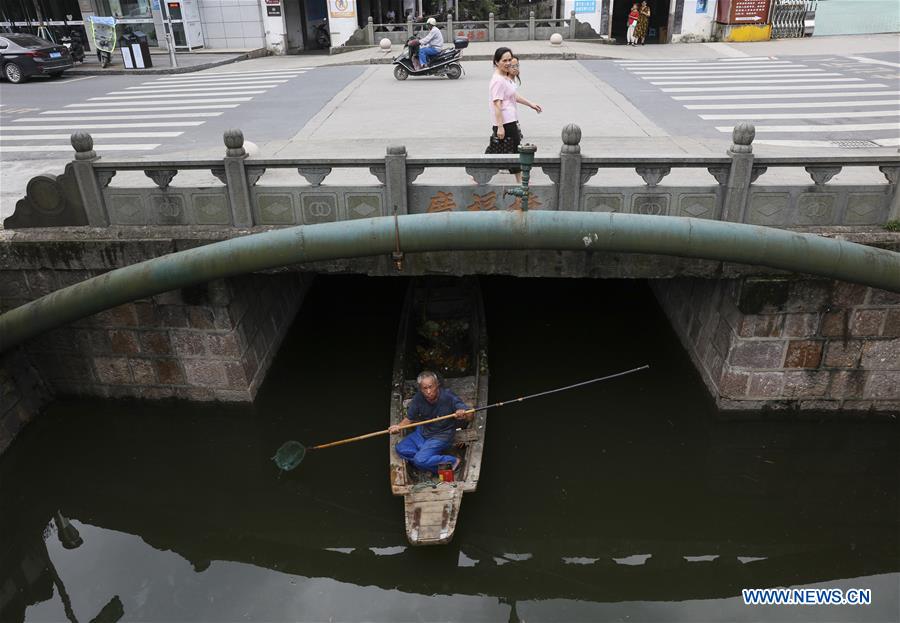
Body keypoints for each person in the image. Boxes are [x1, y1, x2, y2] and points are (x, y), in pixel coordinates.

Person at [390, 371, 472, 474]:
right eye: (425, 388)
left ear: (437, 385)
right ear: (420, 389)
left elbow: (470, 415)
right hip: (423, 432)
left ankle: (453, 461)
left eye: (431, 387)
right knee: (400, 449)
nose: (428, 391)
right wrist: (398, 427)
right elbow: (409, 419)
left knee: (419, 460)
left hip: (442, 435)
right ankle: (427, 457)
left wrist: (462, 413)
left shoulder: (448, 396)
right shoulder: (418, 398)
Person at [487, 47, 541, 182]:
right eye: (504, 60)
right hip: (506, 122)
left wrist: (530, 104)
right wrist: (500, 126)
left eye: (510, 60)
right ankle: (521, 183)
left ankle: (478, 174)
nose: (508, 63)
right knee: (514, 152)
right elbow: (497, 104)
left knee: (495, 150)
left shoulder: (504, 77)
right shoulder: (498, 80)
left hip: (509, 120)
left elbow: (513, 96)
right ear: (496, 62)